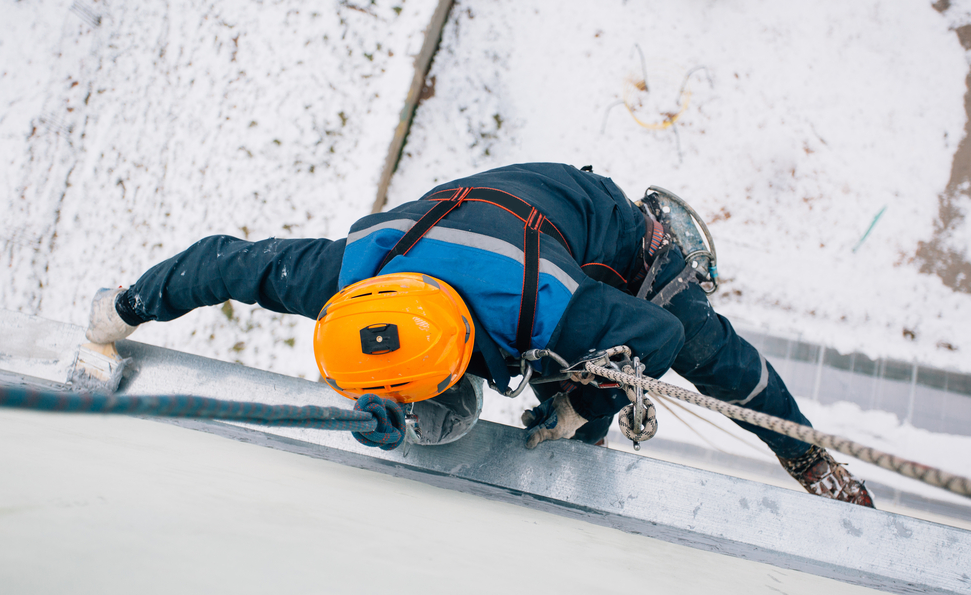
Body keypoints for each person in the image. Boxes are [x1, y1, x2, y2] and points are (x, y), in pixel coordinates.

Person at [85, 162, 874, 507]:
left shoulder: (557, 308)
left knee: (710, 353)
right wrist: (123, 307)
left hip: (600, 235)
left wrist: (584, 410)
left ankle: (810, 456)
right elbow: (221, 265)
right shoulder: (347, 274)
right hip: (493, 213)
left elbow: (662, 337)